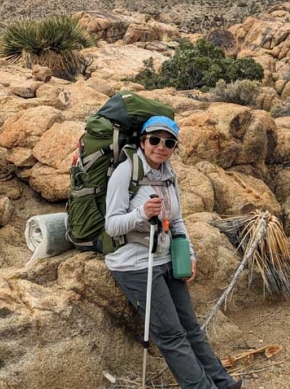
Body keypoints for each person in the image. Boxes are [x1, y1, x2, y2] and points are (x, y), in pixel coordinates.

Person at [104, 116, 242, 389]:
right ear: (143, 141)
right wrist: (140, 214)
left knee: (190, 327)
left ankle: (222, 382)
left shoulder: (168, 174)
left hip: (167, 259)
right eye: (154, 140)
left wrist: (188, 253)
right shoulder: (125, 172)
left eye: (168, 142)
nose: (161, 146)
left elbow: (176, 220)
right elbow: (111, 225)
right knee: (170, 334)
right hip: (135, 264)